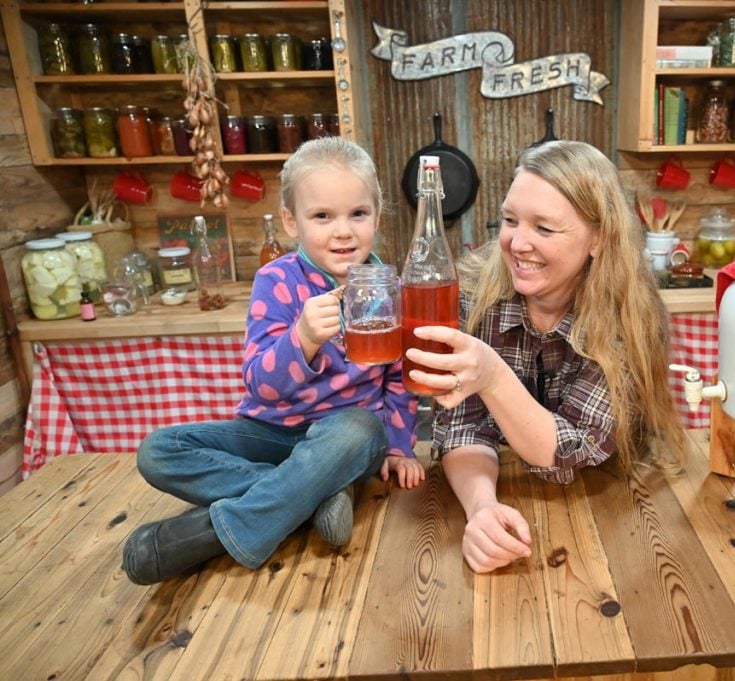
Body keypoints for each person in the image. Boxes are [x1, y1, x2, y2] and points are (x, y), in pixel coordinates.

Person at [122, 137, 424, 585]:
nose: (343, 231)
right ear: (291, 221)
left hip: (346, 439)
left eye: (357, 214)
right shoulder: (275, 280)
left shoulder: (388, 285)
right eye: (322, 216)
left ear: (376, 216)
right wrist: (300, 339)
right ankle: (312, 495)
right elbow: (259, 386)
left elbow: (399, 379)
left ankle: (217, 530)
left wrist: (398, 447)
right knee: (159, 451)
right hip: (270, 432)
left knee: (359, 427)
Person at [406, 140, 687, 573]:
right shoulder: (473, 293)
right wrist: (482, 508)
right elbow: (461, 427)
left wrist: (493, 375)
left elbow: (572, 449)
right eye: (510, 220)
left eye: (544, 228)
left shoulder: (627, 313)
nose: (518, 243)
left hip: (618, 508)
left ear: (598, 238)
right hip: (508, 492)